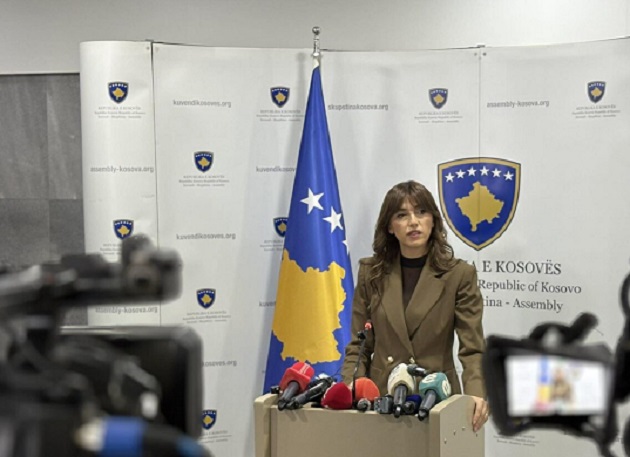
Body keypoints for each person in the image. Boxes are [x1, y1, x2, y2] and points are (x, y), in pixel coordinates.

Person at [341, 180, 489, 432]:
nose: (413, 222)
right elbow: (359, 344)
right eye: (402, 215)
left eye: (421, 212)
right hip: (381, 400)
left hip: (438, 398)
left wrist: (476, 392)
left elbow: (472, 348)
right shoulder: (371, 273)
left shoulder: (459, 275)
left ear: (433, 220)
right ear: (390, 226)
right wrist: (351, 385)